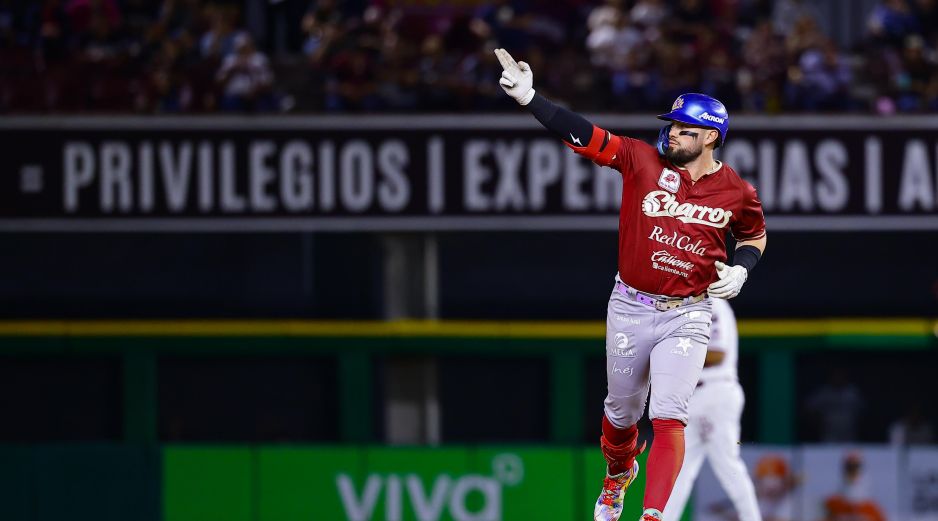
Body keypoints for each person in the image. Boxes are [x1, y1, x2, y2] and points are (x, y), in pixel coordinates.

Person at [494, 49, 767, 521]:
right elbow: (584, 133)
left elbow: (754, 234)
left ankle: (654, 514)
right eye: (673, 125)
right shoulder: (641, 160)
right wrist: (531, 99)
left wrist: (742, 267)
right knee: (621, 417)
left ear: (709, 137)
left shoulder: (736, 190)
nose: (672, 132)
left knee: (668, 416)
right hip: (631, 305)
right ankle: (619, 473)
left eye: (684, 128)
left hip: (688, 312)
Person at [663, 298, 762, 521]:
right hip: (692, 398)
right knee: (679, 471)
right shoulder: (686, 306)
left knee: (728, 467)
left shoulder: (711, 302)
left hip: (715, 393)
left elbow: (717, 354)